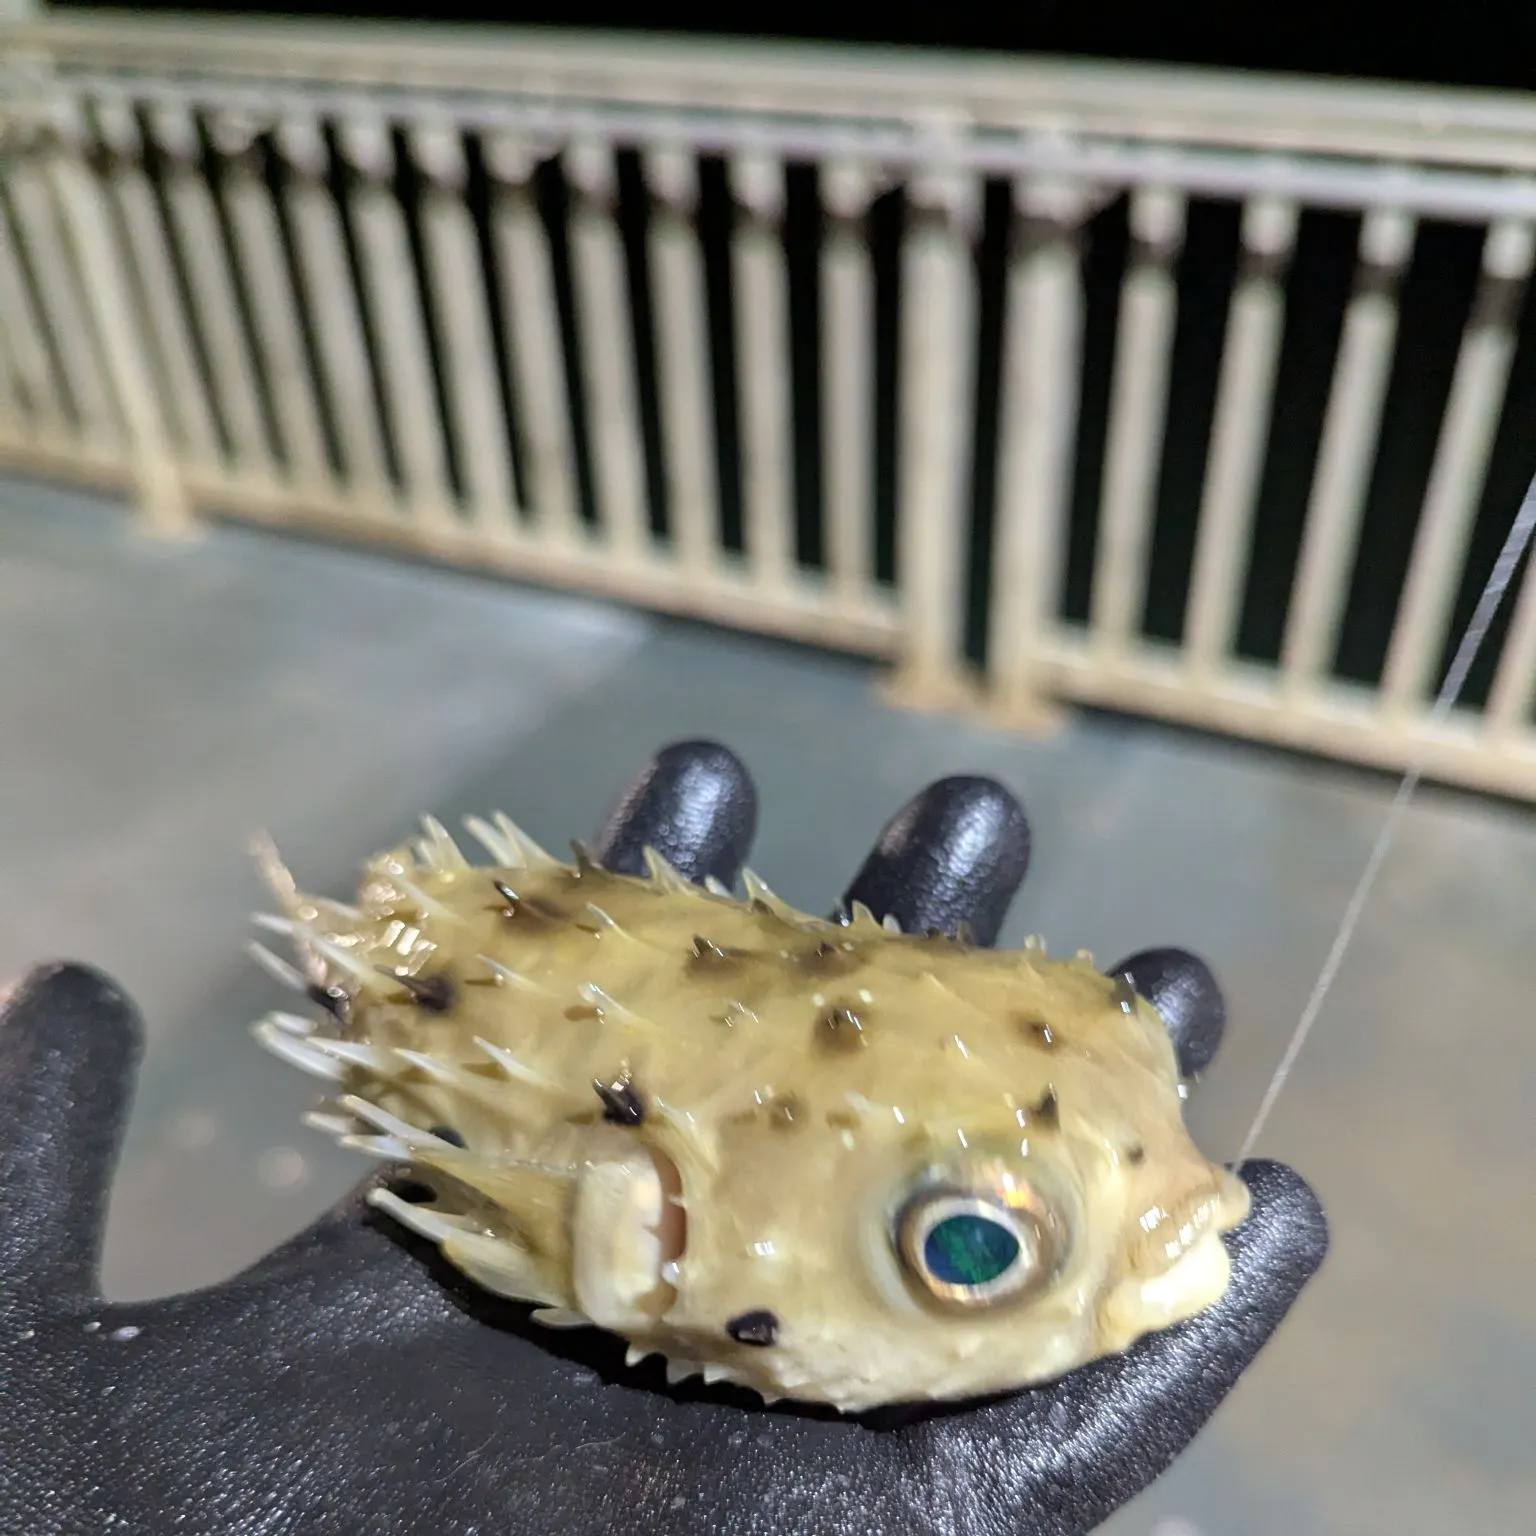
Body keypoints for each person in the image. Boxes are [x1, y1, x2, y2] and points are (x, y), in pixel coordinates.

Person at [0, 740, 1325, 1535]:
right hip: (445, 963)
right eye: (974, 1244)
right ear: (655, 1236)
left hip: (516, 961)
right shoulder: (615, 1216)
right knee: (379, 922)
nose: (1184, 1207)